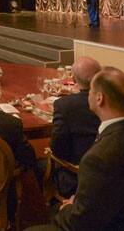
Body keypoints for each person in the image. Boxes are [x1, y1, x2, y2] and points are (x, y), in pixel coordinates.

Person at [30, 67, 124, 231]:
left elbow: (78, 224)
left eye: (91, 91)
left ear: (99, 98)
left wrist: (67, 208)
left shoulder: (97, 159)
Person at [50, 57, 101, 197]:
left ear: (75, 79)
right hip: (113, 176)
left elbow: (57, 149)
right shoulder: (115, 101)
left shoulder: (64, 105)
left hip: (76, 178)